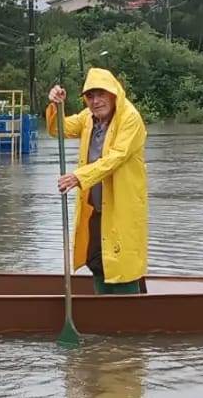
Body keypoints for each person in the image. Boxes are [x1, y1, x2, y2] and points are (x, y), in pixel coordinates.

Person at [46, 66, 149, 294]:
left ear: (113, 93)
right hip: (95, 206)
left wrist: (78, 176)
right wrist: (56, 105)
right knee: (97, 261)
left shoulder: (130, 119)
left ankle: (130, 320)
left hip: (121, 207)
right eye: (90, 96)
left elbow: (116, 157)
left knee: (123, 265)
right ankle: (102, 314)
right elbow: (58, 129)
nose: (96, 101)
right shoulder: (88, 118)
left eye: (101, 94)